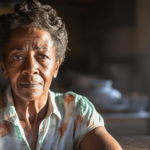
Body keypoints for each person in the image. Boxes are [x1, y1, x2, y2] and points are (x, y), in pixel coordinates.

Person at [0, 0, 122, 150]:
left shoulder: (76, 111)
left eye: (42, 56)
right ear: (4, 67)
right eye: (18, 56)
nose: (31, 68)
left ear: (56, 66)